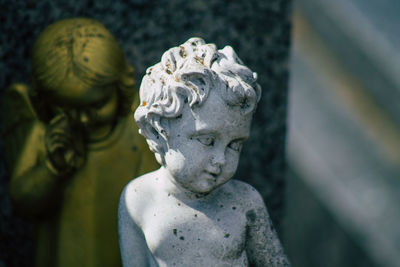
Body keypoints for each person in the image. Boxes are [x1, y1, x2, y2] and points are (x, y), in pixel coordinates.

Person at [119, 37, 290, 266]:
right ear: (160, 130)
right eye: (207, 140)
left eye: (235, 145)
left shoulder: (245, 202)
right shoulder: (138, 198)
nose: (220, 160)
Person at [2, 18, 159, 267]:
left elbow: (157, 199)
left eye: (97, 105)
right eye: (68, 108)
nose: (84, 119)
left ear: (120, 87)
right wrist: (52, 168)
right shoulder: (47, 136)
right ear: (45, 100)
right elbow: (23, 203)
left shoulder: (137, 131)